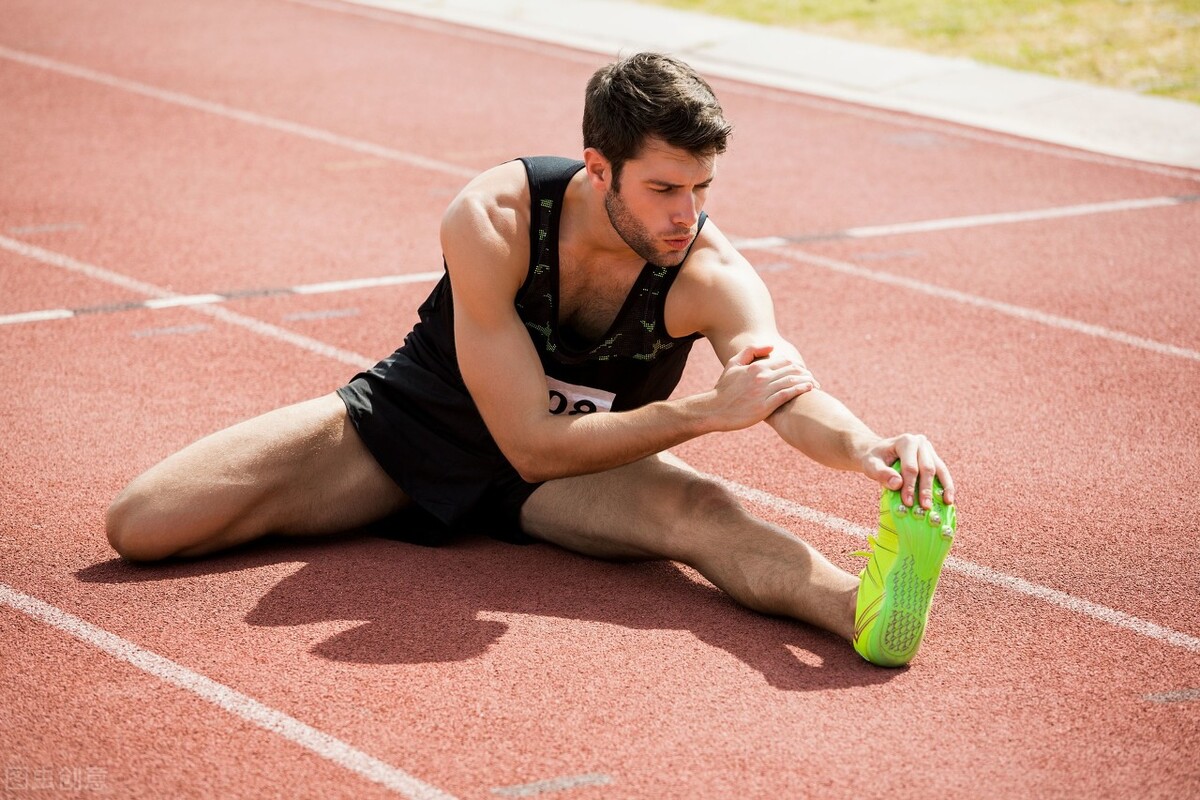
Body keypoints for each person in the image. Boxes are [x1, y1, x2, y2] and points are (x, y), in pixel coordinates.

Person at [106, 52, 956, 667]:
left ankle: (862, 606)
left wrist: (869, 448)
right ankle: (369, 505)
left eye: (701, 190)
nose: (685, 216)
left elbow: (784, 390)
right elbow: (525, 440)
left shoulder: (708, 271)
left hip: (570, 471)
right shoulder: (495, 219)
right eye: (663, 189)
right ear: (598, 167)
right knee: (144, 524)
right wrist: (698, 413)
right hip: (416, 426)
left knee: (704, 513)